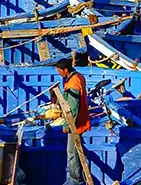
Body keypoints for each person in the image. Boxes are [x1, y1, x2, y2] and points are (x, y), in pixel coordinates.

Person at [55, 57, 91, 185]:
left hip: (76, 123)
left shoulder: (72, 84)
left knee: (72, 152)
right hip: (82, 118)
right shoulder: (79, 76)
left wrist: (67, 125)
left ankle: (76, 180)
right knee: (75, 151)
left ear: (65, 70)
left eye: (60, 71)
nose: (59, 73)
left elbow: (73, 108)